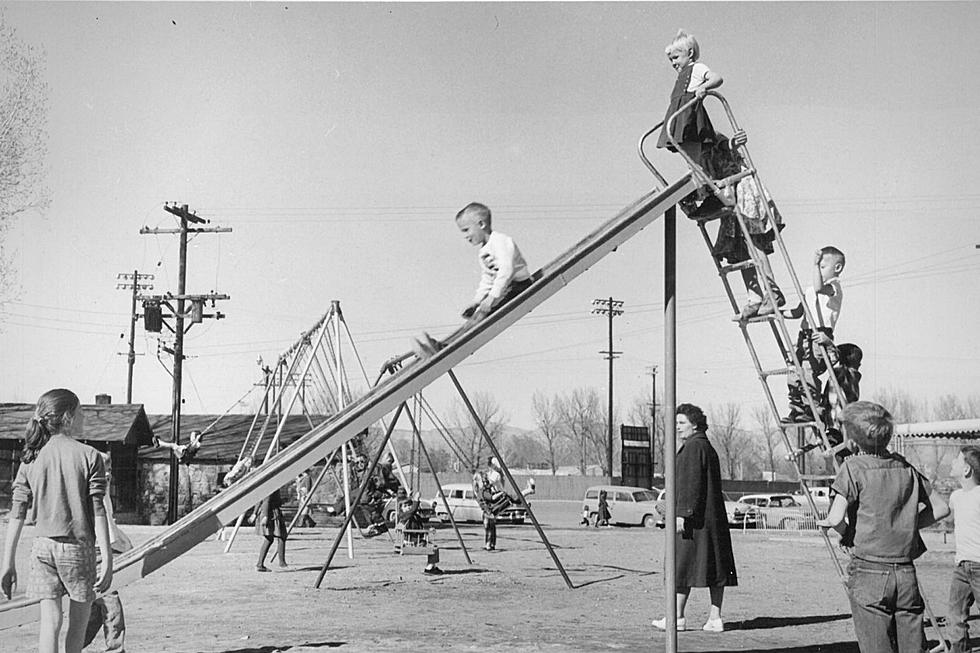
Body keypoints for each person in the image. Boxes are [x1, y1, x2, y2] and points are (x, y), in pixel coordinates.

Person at [817, 401, 949, 653]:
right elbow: (941, 508)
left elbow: (835, 519)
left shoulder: (853, 467)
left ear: (853, 442)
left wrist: (847, 534)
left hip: (869, 571)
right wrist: (906, 527)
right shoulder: (905, 467)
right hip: (905, 573)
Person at [0, 388, 113, 653]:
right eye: (81, 412)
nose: (84, 418)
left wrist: (7, 563)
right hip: (78, 550)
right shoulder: (90, 455)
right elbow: (99, 511)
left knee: (49, 624)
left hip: (41, 550)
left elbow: (17, 512)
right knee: (77, 626)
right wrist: (107, 559)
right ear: (67, 417)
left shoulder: (30, 457)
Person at [652, 403, 736, 633]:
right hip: (711, 521)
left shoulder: (692, 448)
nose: (677, 428)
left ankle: (677, 617)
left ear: (695, 424)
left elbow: (691, 484)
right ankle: (714, 618)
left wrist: (681, 514)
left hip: (692, 522)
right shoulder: (706, 447)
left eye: (681, 423)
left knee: (680, 566)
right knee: (715, 569)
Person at [414, 202, 532, 355]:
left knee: (482, 316)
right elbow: (488, 278)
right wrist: (477, 301)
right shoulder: (484, 251)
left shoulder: (501, 241)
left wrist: (491, 298)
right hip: (505, 288)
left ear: (481, 224)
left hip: (519, 286)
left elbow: (506, 271)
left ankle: (445, 348)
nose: (465, 236)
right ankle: (442, 345)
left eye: (466, 230)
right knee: (478, 313)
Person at [703, 132, 786, 320]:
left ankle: (772, 291)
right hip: (729, 198)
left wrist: (734, 143)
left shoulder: (713, 140)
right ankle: (754, 297)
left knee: (754, 242)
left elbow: (727, 145)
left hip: (744, 192)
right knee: (738, 250)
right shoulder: (696, 155)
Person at [781, 246, 846, 425]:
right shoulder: (810, 290)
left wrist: (814, 264)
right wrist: (779, 312)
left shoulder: (834, 287)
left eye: (822, 267)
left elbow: (819, 287)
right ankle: (797, 408)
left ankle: (812, 408)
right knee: (794, 371)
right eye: (819, 267)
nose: (818, 269)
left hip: (820, 334)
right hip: (804, 335)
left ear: (837, 268)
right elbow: (796, 312)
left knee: (809, 371)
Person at [656, 30, 722, 180]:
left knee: (694, 157)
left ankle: (701, 181)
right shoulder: (682, 75)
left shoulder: (697, 68)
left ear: (690, 52)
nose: (673, 63)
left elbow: (717, 78)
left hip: (691, 119)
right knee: (690, 158)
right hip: (680, 119)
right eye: (670, 60)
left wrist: (703, 87)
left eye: (675, 58)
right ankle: (698, 178)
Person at [83, 452, 129, 653]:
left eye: (109, 469)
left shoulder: (101, 486)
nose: (108, 474)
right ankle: (113, 647)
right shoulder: (93, 488)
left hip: (100, 547)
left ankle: (76, 644)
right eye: (105, 469)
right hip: (94, 548)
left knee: (98, 601)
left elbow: (109, 522)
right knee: (107, 600)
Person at [946, 446, 980, 653]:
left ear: (967, 470)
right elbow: (941, 514)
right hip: (961, 567)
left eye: (956, 460)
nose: (952, 463)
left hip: (979, 564)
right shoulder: (956, 497)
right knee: (955, 615)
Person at [397, 491, 441, 575]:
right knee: (433, 548)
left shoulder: (414, 516)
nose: (408, 507)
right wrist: (416, 500)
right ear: (401, 509)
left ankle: (432, 566)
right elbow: (412, 510)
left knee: (434, 547)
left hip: (416, 540)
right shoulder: (403, 516)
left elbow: (421, 525)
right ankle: (429, 568)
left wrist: (429, 529)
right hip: (411, 541)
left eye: (409, 505)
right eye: (405, 506)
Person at [255, 488, 288, 572]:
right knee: (281, 536)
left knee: (269, 538)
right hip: (271, 513)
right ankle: (282, 563)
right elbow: (266, 501)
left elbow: (259, 500)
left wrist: (254, 513)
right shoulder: (272, 485)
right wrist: (265, 516)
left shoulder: (265, 485)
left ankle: (260, 564)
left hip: (267, 512)